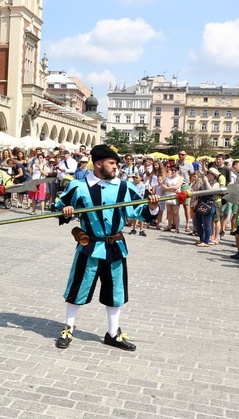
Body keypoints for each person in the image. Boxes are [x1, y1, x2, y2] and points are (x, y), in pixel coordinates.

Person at [54, 145, 159, 351]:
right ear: (99, 163)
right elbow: (59, 206)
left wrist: (153, 207)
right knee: (78, 287)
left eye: (117, 164)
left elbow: (140, 211)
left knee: (115, 291)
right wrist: (65, 211)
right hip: (89, 246)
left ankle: (113, 334)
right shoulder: (79, 186)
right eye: (112, 163)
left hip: (116, 247)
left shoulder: (124, 187)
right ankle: (68, 328)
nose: (116, 167)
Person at [176, 150, 195, 233]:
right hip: (176, 186)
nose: (181, 156)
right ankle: (175, 223)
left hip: (184, 186)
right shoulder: (176, 164)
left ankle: (187, 224)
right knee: (175, 206)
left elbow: (193, 176)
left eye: (182, 155)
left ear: (185, 155)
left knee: (186, 206)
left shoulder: (189, 165)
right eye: (179, 154)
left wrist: (190, 186)